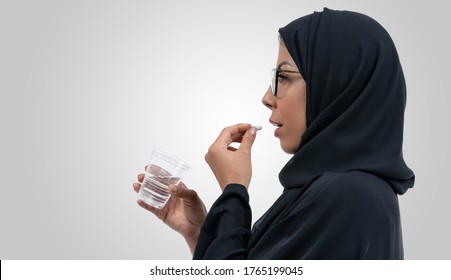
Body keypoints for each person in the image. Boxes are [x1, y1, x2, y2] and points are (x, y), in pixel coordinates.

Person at [132, 8, 415, 259]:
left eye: (283, 77)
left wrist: (234, 190)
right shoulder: (342, 191)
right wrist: (199, 233)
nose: (268, 97)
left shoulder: (346, 196)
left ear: (338, 86)